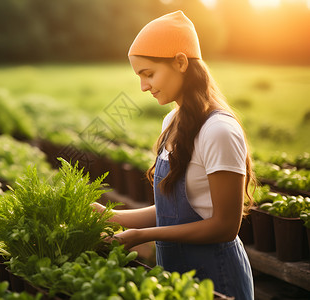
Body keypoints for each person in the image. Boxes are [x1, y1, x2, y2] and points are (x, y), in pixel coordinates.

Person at [92, 10, 255, 299]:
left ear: (180, 62)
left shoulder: (218, 130)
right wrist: (110, 216)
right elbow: (175, 213)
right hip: (177, 278)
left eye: (148, 74)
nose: (143, 87)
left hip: (218, 279)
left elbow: (225, 226)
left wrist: (144, 236)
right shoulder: (172, 122)